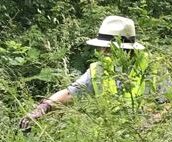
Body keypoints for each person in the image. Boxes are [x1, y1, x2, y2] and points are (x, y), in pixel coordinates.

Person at [20, 15, 156, 130]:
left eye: (107, 49)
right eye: (103, 48)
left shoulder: (151, 67)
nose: (102, 53)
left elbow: (170, 104)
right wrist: (44, 107)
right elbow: (70, 93)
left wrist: (150, 123)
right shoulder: (99, 69)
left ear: (127, 49)